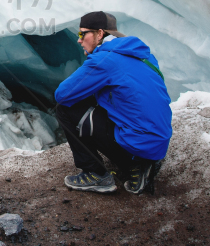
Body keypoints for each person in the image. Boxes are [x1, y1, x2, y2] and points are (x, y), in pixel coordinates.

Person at [54, 11, 172, 194]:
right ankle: (139, 165)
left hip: (136, 143)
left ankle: (96, 174)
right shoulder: (143, 56)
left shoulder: (104, 60)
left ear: (100, 34)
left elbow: (62, 94)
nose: (79, 40)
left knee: (64, 109)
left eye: (82, 34)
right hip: (157, 143)